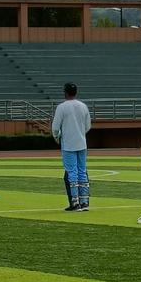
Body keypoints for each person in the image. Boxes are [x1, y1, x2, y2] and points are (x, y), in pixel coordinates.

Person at [51, 82, 91, 212]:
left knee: (72, 173)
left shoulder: (62, 107)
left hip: (68, 144)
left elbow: (55, 127)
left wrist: (57, 137)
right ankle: (84, 201)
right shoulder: (83, 106)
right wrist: (80, 133)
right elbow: (87, 126)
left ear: (65, 92)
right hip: (81, 143)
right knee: (82, 171)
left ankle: (75, 202)